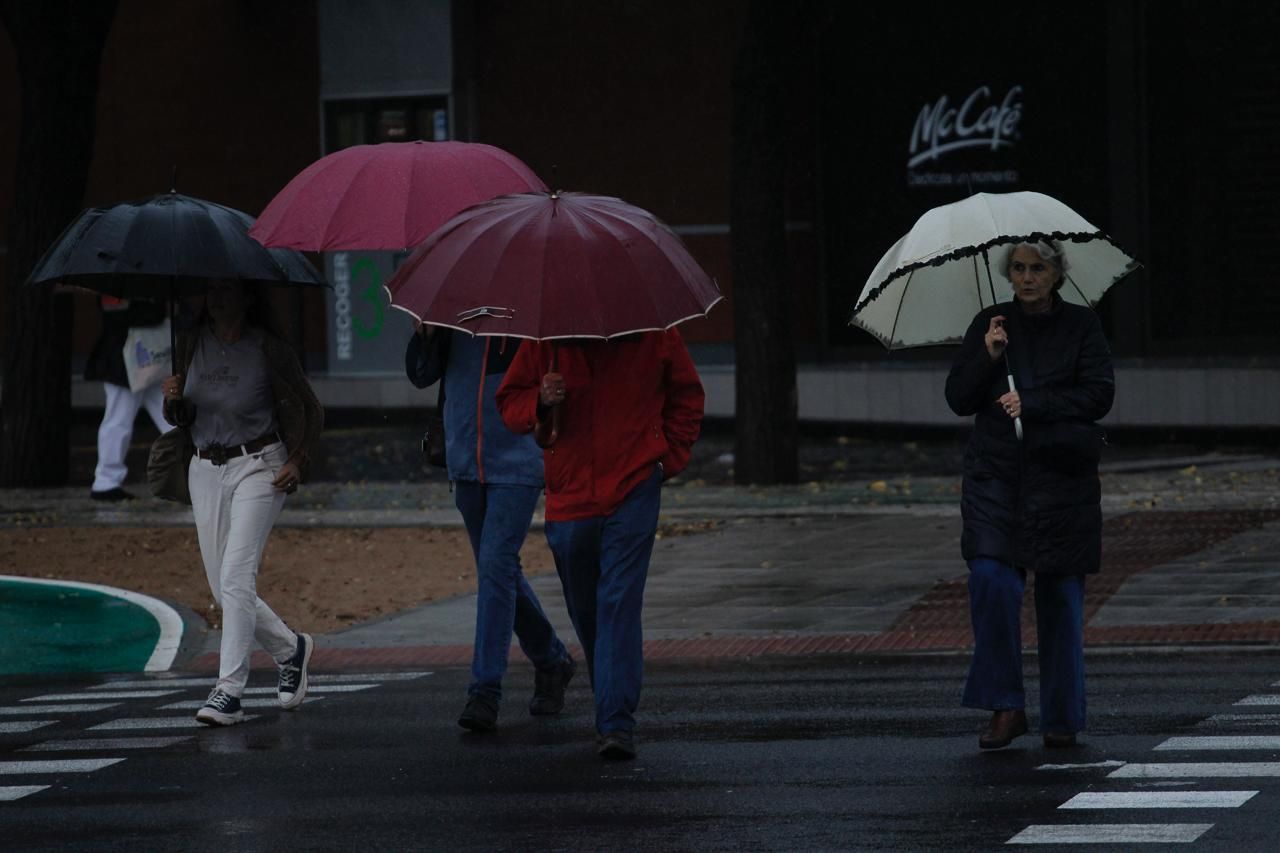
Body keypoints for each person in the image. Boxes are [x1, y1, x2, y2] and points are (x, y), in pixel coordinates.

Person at [496, 330, 705, 760]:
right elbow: (510, 404)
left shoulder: (655, 334)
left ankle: (615, 721)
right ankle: (610, 699)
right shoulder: (545, 339)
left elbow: (687, 395)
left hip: (634, 486)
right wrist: (540, 398)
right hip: (571, 493)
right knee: (587, 609)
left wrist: (667, 458)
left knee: (619, 603)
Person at [945, 239, 1115, 750]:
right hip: (996, 477)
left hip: (1061, 477)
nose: (1026, 277)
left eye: (1037, 268)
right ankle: (1005, 706)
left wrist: (1033, 402)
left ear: (1056, 272)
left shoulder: (1082, 325)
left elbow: (1098, 395)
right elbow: (958, 398)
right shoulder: (991, 323)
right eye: (1018, 268)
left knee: (1060, 597)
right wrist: (987, 355)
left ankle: (1062, 716)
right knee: (991, 580)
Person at [161, 280, 322, 726]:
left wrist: (298, 458)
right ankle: (292, 649)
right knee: (224, 589)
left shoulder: (269, 349)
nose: (217, 297)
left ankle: (228, 691)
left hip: (260, 465)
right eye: (211, 290)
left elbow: (310, 409)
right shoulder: (190, 344)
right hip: (204, 468)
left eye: (228, 290)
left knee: (236, 576)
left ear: (248, 298)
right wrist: (173, 401)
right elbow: (183, 418)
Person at [405, 325, 575, 732]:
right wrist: (426, 336)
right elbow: (420, 375)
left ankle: (485, 690)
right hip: (464, 457)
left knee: (497, 564)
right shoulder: (454, 311)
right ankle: (552, 661)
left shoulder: (530, 312)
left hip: (518, 459)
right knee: (499, 572)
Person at [85, 295, 172, 501]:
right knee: (120, 420)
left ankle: (107, 481)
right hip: (125, 360)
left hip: (143, 359)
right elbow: (121, 316)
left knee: (171, 417)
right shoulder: (118, 282)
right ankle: (106, 481)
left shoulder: (116, 276)